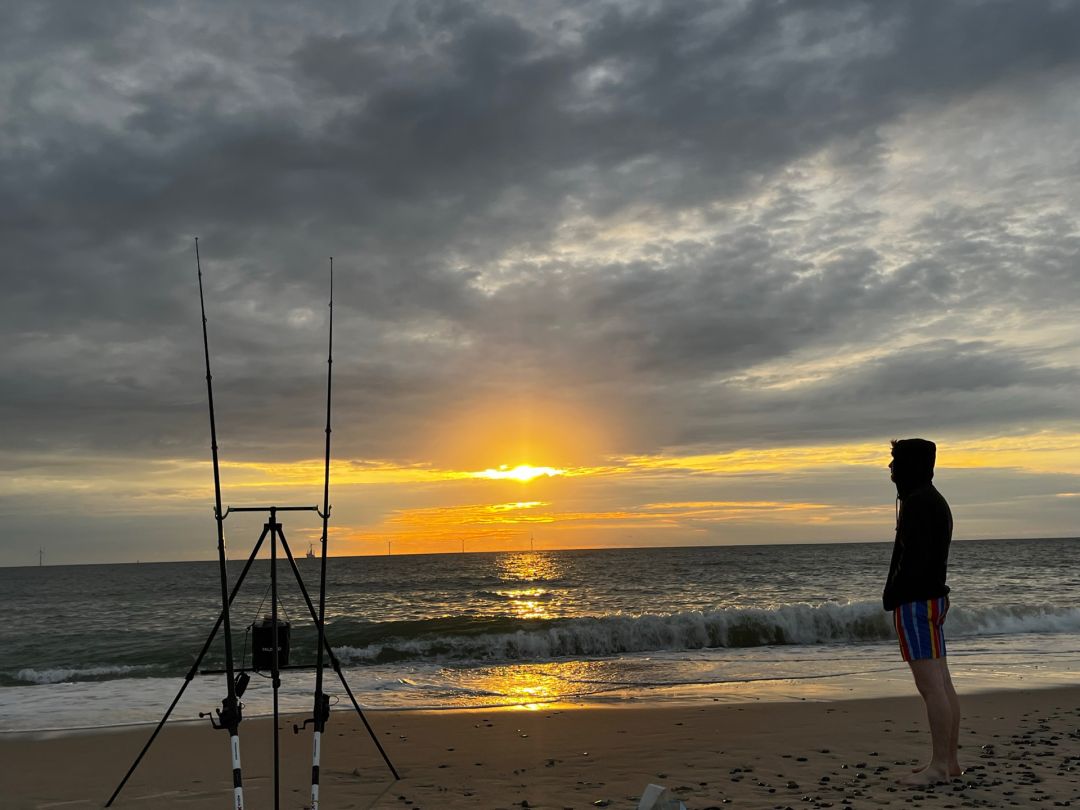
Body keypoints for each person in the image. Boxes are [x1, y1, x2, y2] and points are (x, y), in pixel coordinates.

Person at [882, 438, 960, 785]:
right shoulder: (933, 500)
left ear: (909, 466)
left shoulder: (917, 503)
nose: (890, 468)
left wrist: (894, 594)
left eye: (895, 461)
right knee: (942, 683)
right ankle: (948, 762)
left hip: (917, 602)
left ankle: (940, 767)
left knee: (932, 687)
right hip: (932, 599)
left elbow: (910, 561)